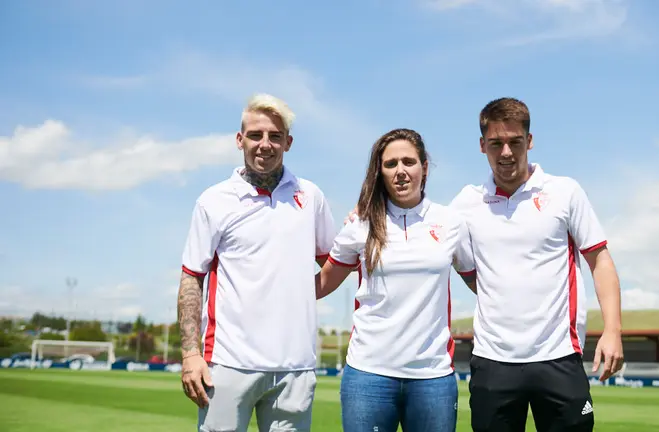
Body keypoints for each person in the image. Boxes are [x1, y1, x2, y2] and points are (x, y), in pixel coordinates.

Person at [449, 97, 624, 431]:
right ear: (482, 145)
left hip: (559, 356)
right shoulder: (465, 204)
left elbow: (600, 261)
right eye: (496, 143)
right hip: (493, 360)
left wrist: (613, 331)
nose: (506, 153)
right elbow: (430, 237)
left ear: (529, 141)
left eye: (515, 142)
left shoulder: (565, 192)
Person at [176, 93, 336, 432]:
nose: (265, 144)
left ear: (288, 143)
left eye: (275, 136)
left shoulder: (310, 196)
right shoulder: (214, 200)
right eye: (255, 135)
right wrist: (191, 355)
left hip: (295, 367)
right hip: (228, 364)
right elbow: (192, 277)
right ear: (240, 140)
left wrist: (302, 294)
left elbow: (333, 263)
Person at [316, 128, 476, 432]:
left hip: (433, 377)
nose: (400, 171)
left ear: (424, 167)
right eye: (391, 164)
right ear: (380, 172)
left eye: (408, 162)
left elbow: (479, 283)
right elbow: (322, 284)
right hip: (368, 374)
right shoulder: (360, 224)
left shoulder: (450, 223)